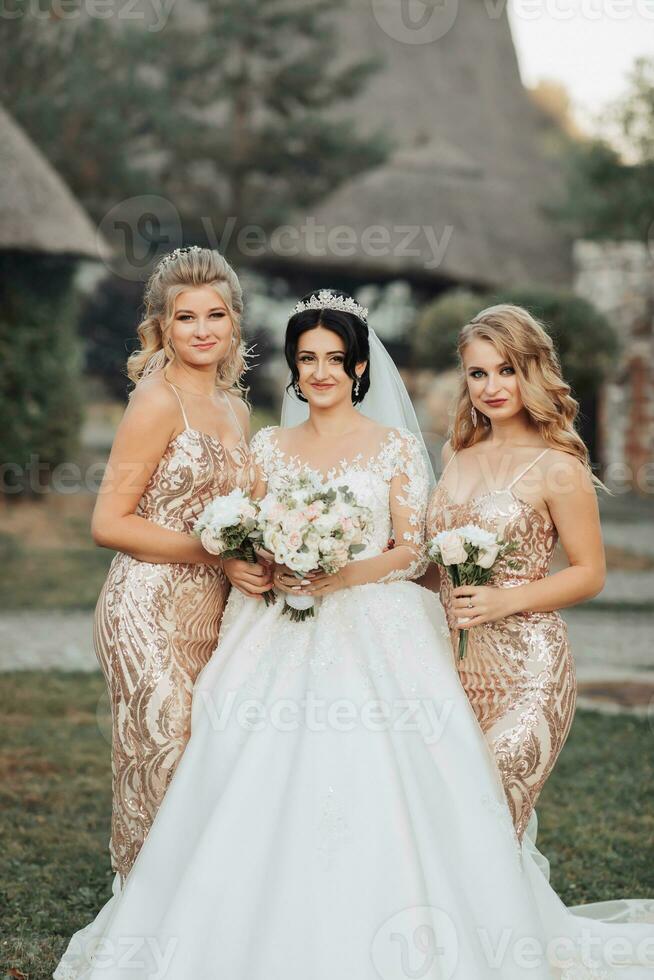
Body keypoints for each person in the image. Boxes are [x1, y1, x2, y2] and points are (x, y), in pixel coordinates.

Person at [55, 290, 653, 979]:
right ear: (291, 368)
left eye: (336, 359)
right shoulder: (267, 446)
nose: (321, 373)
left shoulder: (399, 446)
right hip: (274, 628)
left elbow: (413, 549)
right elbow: (251, 532)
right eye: (307, 359)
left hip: (375, 623)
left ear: (360, 368)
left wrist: (344, 572)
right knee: (242, 760)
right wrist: (266, 559)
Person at [89, 246, 271, 884]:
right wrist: (212, 553)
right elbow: (109, 523)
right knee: (161, 748)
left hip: (211, 612)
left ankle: (192, 906)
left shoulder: (237, 410)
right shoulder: (156, 403)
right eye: (186, 317)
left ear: (233, 324)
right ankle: (138, 901)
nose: (202, 331)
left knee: (203, 756)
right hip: (145, 605)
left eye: (215, 316)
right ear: (162, 326)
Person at [426, 304, 604, 842]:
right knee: (443, 818)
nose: (492, 386)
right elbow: (438, 566)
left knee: (489, 823)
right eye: (478, 373)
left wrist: (506, 600)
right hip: (451, 667)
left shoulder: (558, 466)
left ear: (534, 372)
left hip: (529, 671)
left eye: (508, 370)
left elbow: (590, 573)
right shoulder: (457, 453)